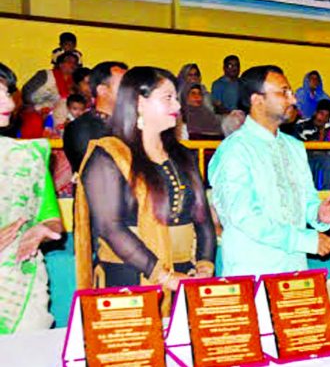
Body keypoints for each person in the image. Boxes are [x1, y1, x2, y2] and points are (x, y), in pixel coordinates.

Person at [74, 67, 216, 313]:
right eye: (168, 97)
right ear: (139, 102)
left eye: (176, 98)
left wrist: (204, 267)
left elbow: (202, 219)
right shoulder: (108, 155)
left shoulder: (182, 154)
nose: (178, 106)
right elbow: (110, 227)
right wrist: (164, 277)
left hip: (185, 273)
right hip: (129, 277)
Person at [209, 65, 330, 277]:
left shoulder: (294, 147)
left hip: (295, 270)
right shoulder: (235, 150)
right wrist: (305, 240)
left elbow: (307, 200)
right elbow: (245, 217)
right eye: (284, 92)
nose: (293, 100)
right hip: (253, 271)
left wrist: (319, 212)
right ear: (257, 100)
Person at [0, 63, 64, 334]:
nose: (8, 102)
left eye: (7, 92)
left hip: (23, 282)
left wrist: (41, 230)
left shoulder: (26, 156)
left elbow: (52, 219)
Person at [63, 61, 127, 173]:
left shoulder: (130, 122)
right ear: (102, 90)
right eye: (124, 85)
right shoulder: (81, 128)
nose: (130, 90)